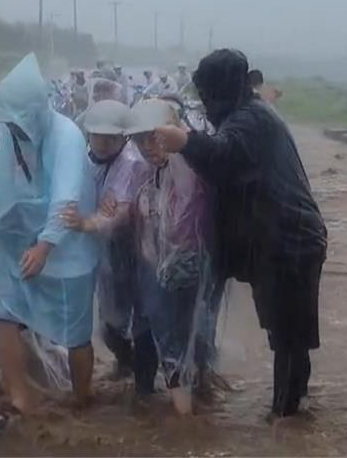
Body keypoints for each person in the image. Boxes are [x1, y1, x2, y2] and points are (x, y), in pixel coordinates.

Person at [154, 49, 327, 418]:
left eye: (208, 93)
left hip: (290, 242)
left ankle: (286, 417)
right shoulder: (251, 112)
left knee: (288, 337)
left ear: (223, 88)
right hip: (285, 240)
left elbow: (222, 156)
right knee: (288, 335)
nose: (206, 102)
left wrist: (184, 140)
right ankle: (296, 410)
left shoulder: (249, 121)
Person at [0, 53, 99, 430]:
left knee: (76, 334)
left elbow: (65, 200)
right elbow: (7, 183)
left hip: (67, 249)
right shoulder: (11, 134)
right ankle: (19, 396)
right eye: (7, 121)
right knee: (3, 311)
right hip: (23, 242)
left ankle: (81, 397)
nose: (12, 128)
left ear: (37, 112)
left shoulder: (67, 138)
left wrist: (46, 246)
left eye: (18, 120)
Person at [126, 99, 216, 414]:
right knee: (169, 339)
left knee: (195, 334)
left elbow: (189, 225)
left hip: (192, 269)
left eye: (154, 137)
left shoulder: (192, 169)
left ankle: (193, 411)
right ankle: (186, 415)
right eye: (139, 140)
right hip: (159, 271)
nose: (148, 147)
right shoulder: (149, 175)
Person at [60, 100, 152, 382]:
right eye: (97, 135)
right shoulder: (83, 160)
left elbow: (120, 213)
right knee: (110, 325)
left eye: (111, 137)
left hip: (137, 248)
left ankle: (145, 384)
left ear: (123, 138)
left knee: (143, 317)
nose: (103, 142)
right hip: (103, 250)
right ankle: (128, 363)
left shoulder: (132, 163)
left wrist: (87, 222)